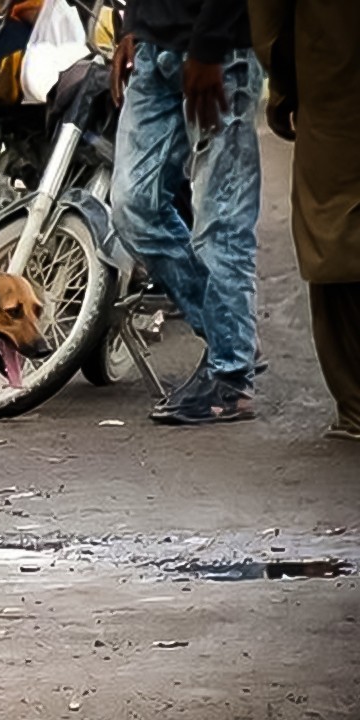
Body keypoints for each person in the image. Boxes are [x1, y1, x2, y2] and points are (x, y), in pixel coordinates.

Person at [109, 0, 264, 425]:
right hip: (153, 47)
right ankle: (232, 334)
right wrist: (132, 24)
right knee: (132, 205)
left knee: (220, 220)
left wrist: (210, 44)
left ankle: (230, 379)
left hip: (220, 51)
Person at [250, 0, 360, 442]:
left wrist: (285, 93)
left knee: (333, 233)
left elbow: (270, 27)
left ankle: (356, 404)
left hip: (335, 87)